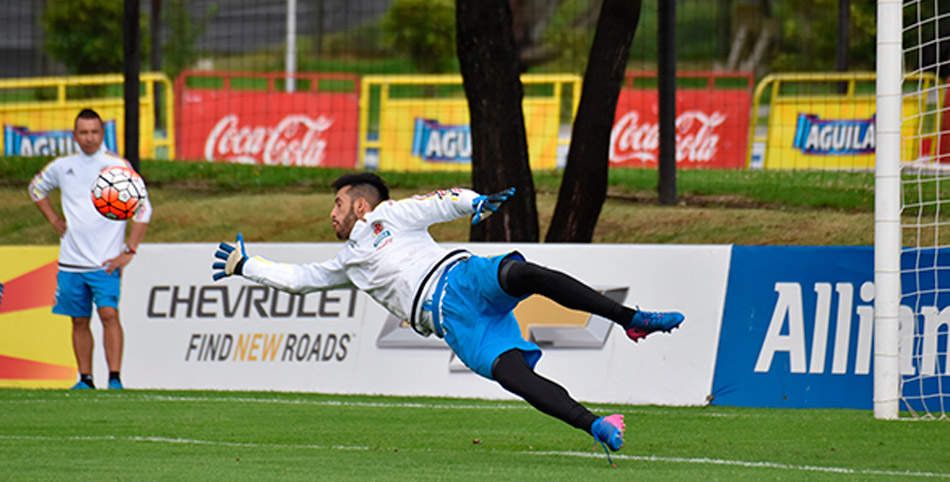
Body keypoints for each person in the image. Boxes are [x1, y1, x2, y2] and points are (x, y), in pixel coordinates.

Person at [212, 172, 683, 463]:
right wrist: (245, 266)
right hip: (455, 325)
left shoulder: (389, 216)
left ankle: (631, 318)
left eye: (337, 204)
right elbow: (299, 278)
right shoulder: (346, 264)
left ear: (361, 205)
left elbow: (436, 203)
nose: (331, 214)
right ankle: (597, 425)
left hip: (461, 278)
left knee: (525, 274)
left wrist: (473, 202)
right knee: (514, 377)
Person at [28, 108, 152, 390]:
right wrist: (53, 219)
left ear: (103, 134)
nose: (89, 138)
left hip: (105, 261)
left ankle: (115, 378)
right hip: (71, 261)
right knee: (79, 320)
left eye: (94, 132)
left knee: (109, 314)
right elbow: (36, 188)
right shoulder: (63, 166)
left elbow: (143, 208)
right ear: (74, 135)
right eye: (83, 132)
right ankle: (85, 378)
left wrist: (129, 250)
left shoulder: (116, 166)